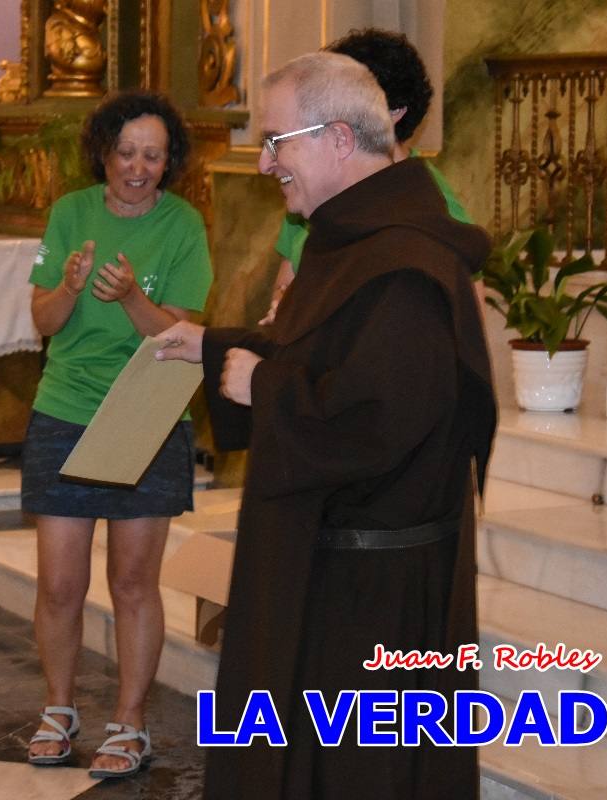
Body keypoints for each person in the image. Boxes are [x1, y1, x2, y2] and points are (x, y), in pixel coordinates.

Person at [157, 52, 496, 798]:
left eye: (279, 140)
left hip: (373, 594)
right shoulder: (351, 240)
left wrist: (265, 386)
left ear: (340, 139)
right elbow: (324, 353)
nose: (267, 162)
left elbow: (384, 418)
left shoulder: (406, 260)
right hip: (328, 563)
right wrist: (214, 346)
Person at [22, 89, 212, 778]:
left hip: (147, 410)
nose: (137, 167)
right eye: (126, 153)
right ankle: (58, 707)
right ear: (103, 152)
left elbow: (185, 338)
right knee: (59, 584)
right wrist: (70, 286)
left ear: (170, 162)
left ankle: (130, 722)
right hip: (65, 407)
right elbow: (42, 322)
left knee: (133, 581)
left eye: (152, 156)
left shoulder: (185, 225)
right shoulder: (71, 212)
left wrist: (132, 295)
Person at [260, 27, 472, 325]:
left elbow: (458, 320)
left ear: (394, 111)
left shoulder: (433, 203)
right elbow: (286, 283)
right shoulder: (317, 183)